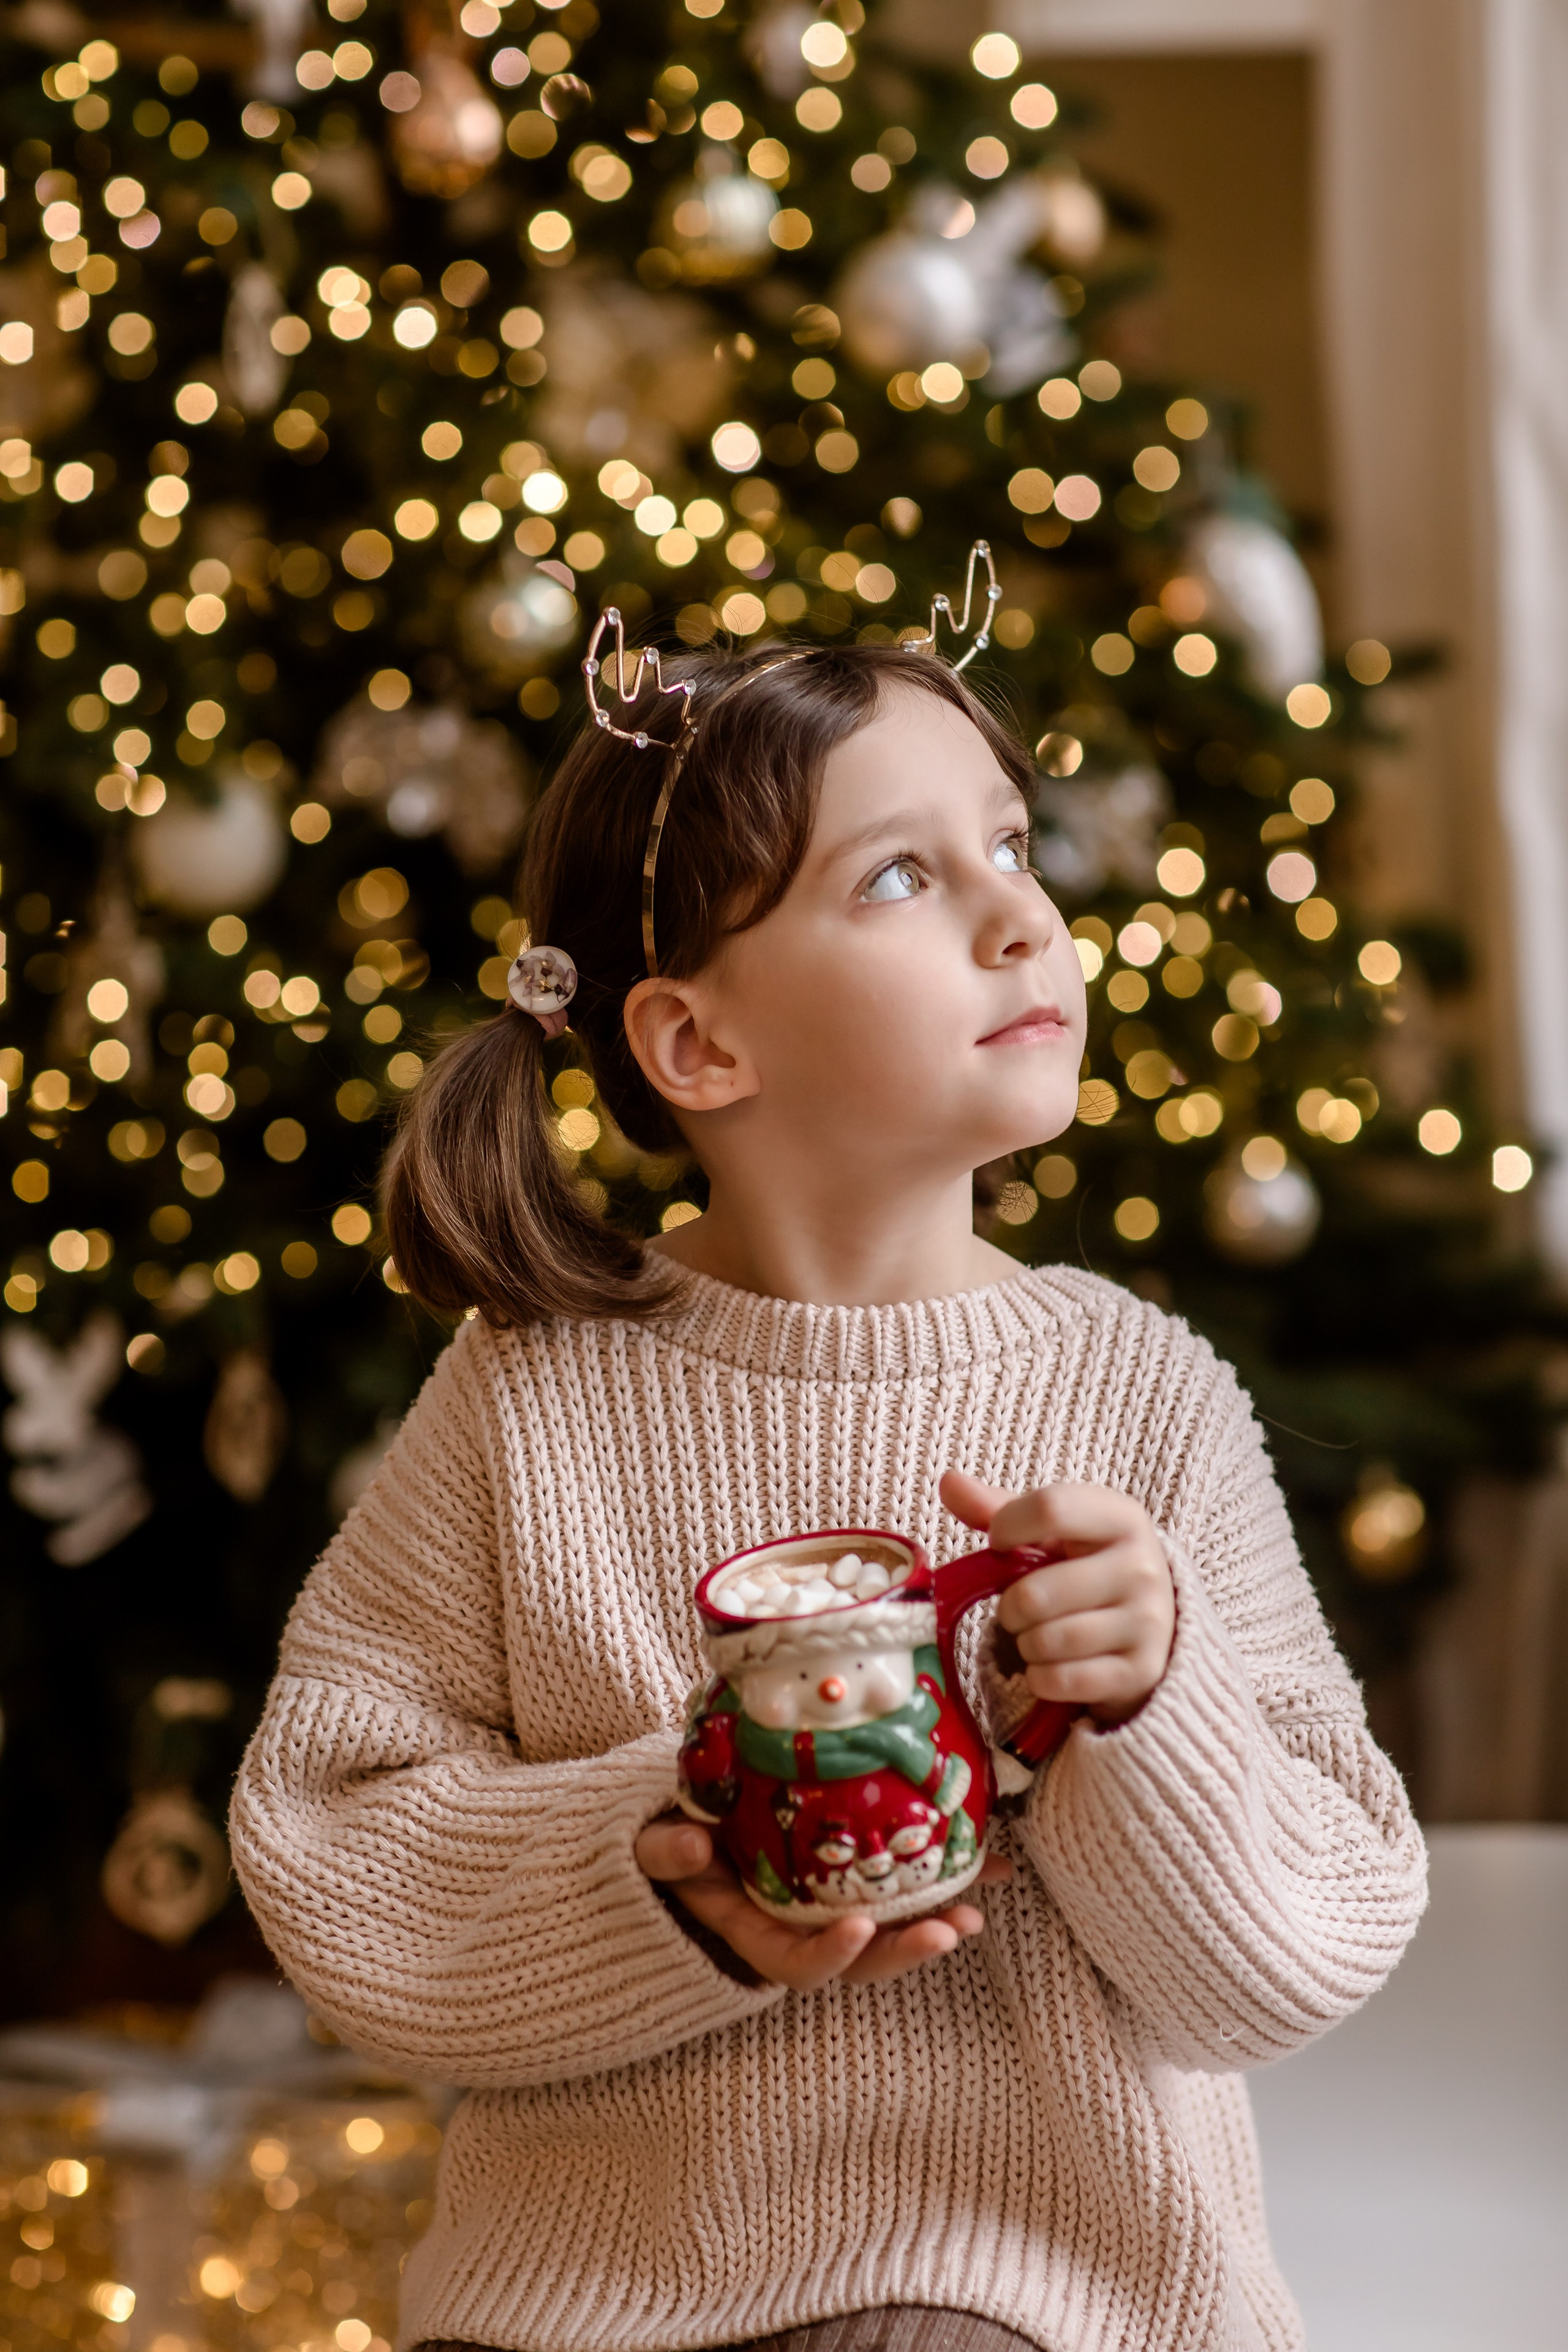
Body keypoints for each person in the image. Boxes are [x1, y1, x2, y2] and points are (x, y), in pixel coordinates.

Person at [230, 608, 1427, 2352]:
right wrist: (669, 1861)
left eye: (1010, 848)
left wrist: (1153, 1708)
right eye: (898, 881)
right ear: (698, 1046)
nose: (1024, 915)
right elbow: (333, 1840)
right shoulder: (529, 1401)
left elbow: (1288, 1959)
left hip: (1020, 2294)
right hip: (581, 2305)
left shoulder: (1141, 1398)